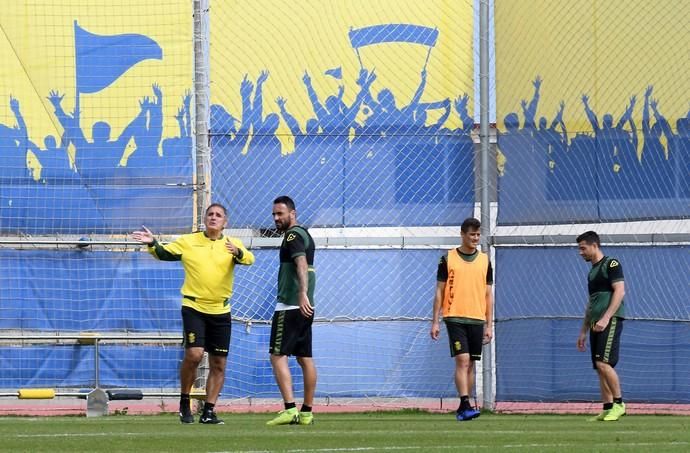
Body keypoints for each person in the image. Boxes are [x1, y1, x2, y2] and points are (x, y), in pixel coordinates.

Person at [131, 203, 255, 424]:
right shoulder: (189, 241)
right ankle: (184, 401)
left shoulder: (231, 245)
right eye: (210, 214)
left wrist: (238, 251)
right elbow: (163, 253)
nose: (214, 218)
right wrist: (153, 243)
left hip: (221, 310)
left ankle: (209, 411)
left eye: (218, 215)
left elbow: (248, 259)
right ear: (204, 219)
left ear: (225, 222)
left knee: (219, 364)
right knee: (195, 355)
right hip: (194, 308)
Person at [430, 217, 493, 421]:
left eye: (477, 234)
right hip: (454, 316)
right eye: (471, 234)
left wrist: (489, 324)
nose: (475, 238)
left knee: (472, 363)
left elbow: (488, 294)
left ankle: (464, 406)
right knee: (462, 360)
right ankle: (465, 403)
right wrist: (435, 321)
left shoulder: (485, 260)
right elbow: (439, 291)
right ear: (462, 235)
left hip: (476, 317)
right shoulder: (447, 259)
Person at [266, 196, 317, 426]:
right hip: (306, 307)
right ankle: (306, 412)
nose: (277, 218)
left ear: (292, 213)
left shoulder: (293, 235)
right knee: (305, 358)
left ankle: (289, 409)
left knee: (277, 355)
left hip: (290, 305)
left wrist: (302, 293)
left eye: (280, 214)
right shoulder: (306, 234)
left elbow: (301, 263)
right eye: (274, 214)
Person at [576, 231, 626, 421]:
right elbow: (591, 304)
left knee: (603, 363)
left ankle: (619, 404)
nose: (581, 253)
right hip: (596, 324)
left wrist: (606, 318)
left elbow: (620, 291)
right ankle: (607, 407)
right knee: (599, 367)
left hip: (610, 321)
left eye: (583, 248)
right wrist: (583, 331)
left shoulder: (611, 264)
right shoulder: (591, 272)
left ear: (594, 245)